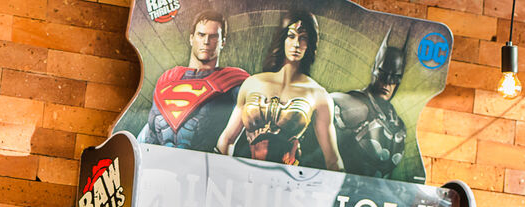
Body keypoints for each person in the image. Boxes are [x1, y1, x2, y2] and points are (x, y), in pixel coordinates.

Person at [216, 10, 344, 170]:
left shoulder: (318, 95)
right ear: (283, 38)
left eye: (303, 38)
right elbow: (227, 140)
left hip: (288, 180)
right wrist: (218, 174)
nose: (296, 44)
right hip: (245, 174)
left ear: (310, 43)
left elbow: (333, 159)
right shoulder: (253, 83)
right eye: (291, 36)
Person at [140, 9, 249, 153]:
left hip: (205, 168)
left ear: (223, 42)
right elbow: (151, 132)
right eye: (201, 35)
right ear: (192, 38)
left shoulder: (234, 83)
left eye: (213, 36)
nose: (206, 42)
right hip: (161, 163)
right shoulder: (167, 80)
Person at [332, 29, 409, 179]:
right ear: (375, 70)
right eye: (383, 74)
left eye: (394, 78)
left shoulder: (398, 124)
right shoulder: (352, 104)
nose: (387, 82)